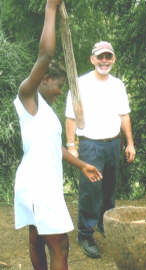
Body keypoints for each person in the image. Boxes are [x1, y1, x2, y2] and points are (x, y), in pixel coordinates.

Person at [13, 1, 102, 269]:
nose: (61, 91)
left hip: (37, 184)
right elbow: (45, 55)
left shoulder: (47, 113)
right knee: (59, 244)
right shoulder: (27, 97)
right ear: (43, 79)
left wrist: (82, 164)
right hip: (39, 186)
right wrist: (50, 9)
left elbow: (55, 148)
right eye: (59, 85)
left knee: (38, 238)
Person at [65, 40, 136, 258]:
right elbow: (70, 116)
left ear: (113, 59)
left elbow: (124, 115)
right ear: (92, 59)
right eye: (100, 57)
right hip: (90, 145)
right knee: (90, 191)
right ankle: (85, 234)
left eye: (108, 57)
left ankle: (105, 225)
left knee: (108, 189)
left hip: (113, 143)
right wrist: (71, 146)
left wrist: (130, 143)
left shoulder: (118, 85)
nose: (104, 61)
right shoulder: (80, 84)